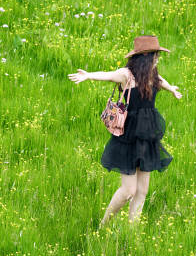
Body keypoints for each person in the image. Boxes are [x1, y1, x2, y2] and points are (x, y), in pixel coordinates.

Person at [68, 35, 182, 226]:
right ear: (146, 57)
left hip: (148, 136)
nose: (158, 59)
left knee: (142, 190)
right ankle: (104, 224)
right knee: (128, 190)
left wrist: (172, 89)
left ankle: (132, 231)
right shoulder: (126, 75)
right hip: (128, 135)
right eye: (156, 55)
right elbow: (108, 74)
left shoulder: (152, 75)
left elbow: (162, 81)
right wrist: (88, 75)